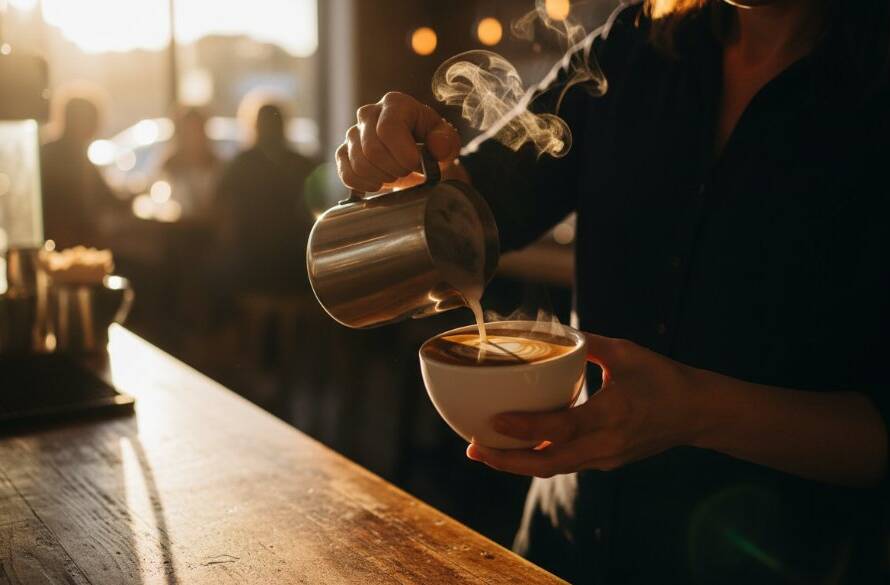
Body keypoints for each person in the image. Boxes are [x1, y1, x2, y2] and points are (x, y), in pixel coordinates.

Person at [336, 0, 890, 582]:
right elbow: (477, 204)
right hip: (565, 544)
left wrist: (695, 412)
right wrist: (407, 163)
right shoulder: (636, 46)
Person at [216, 100, 316, 295]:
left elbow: (219, 204)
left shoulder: (242, 163)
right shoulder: (303, 163)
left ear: (254, 127)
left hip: (252, 262)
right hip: (300, 262)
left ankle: (228, 325)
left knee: (208, 277)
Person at [40, 88, 119, 249]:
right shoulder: (71, 156)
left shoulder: (56, 151)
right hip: (68, 245)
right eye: (94, 119)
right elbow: (109, 200)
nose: (98, 126)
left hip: (65, 242)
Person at [159, 107, 220, 220]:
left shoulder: (216, 166)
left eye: (196, 131)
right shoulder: (170, 166)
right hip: (175, 229)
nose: (193, 137)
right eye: (189, 132)